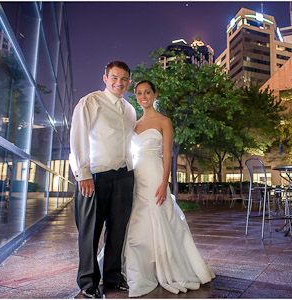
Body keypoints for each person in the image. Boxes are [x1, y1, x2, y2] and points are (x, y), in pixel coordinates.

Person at [123, 80, 215, 297]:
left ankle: (166, 265)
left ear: (155, 95)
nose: (143, 96)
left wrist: (165, 183)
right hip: (137, 175)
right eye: (138, 93)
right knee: (137, 221)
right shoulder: (134, 124)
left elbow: (168, 155)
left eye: (147, 92)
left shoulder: (165, 121)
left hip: (155, 174)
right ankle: (141, 267)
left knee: (159, 214)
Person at [70, 61, 137, 298]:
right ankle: (88, 283)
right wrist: (83, 173)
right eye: (114, 78)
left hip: (124, 176)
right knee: (90, 231)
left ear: (129, 82)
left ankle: (113, 278)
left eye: (124, 79)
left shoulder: (130, 109)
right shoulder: (91, 102)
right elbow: (78, 138)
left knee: (117, 231)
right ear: (105, 78)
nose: (119, 83)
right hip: (96, 176)